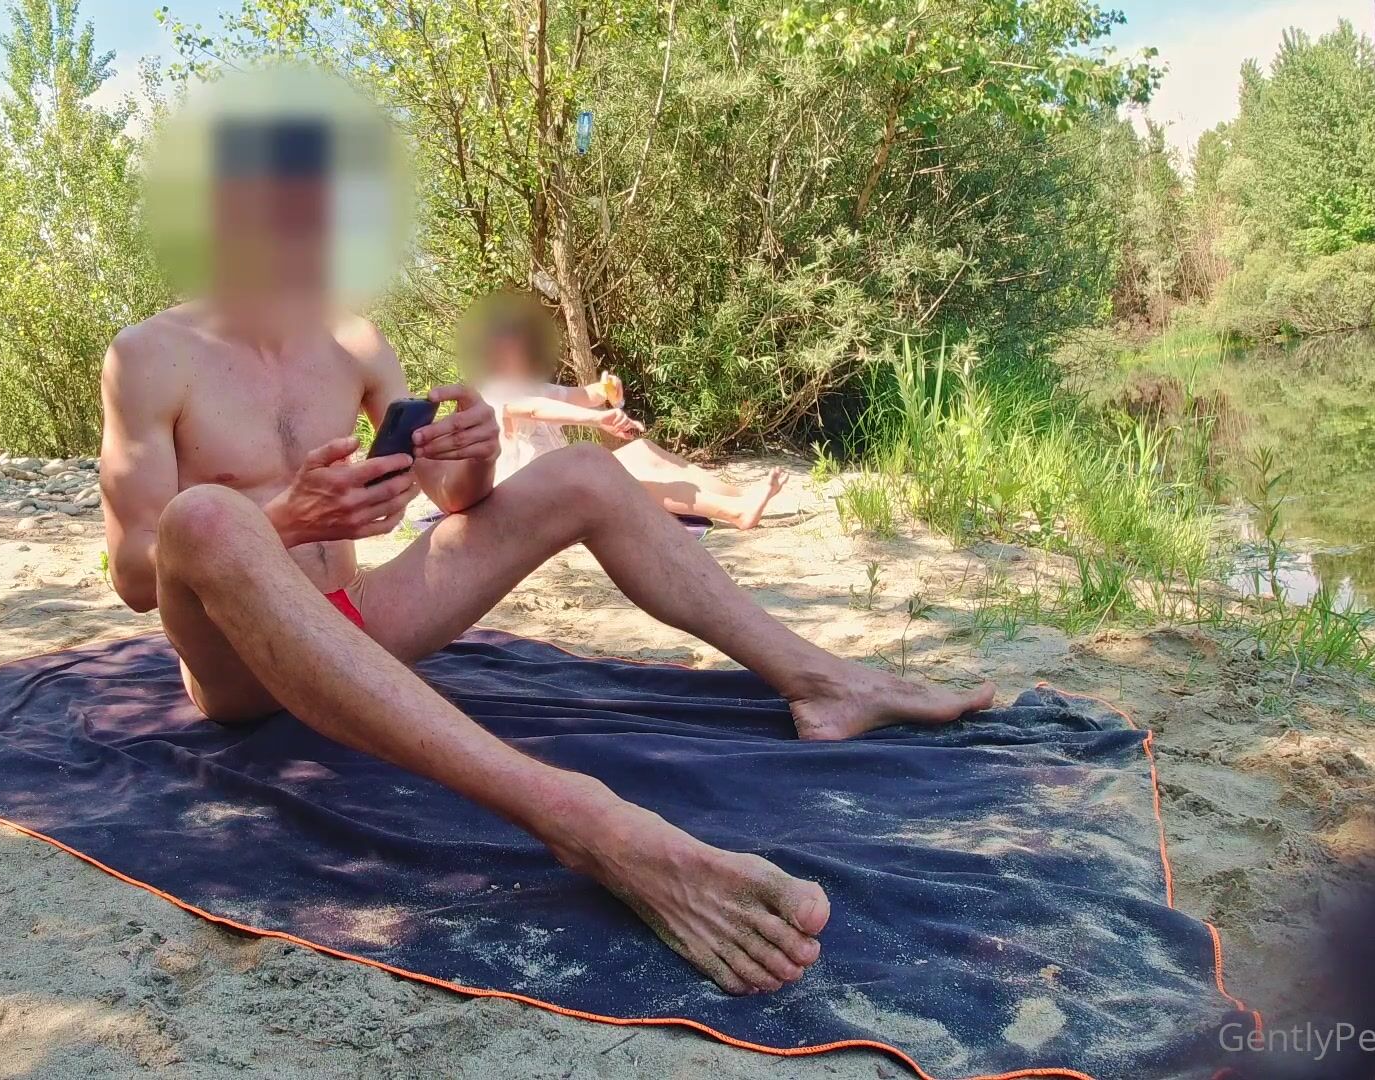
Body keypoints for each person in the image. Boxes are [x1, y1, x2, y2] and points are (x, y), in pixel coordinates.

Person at [101, 66, 994, 998]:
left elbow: (451, 500)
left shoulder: (354, 340)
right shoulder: (150, 356)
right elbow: (134, 572)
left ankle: (822, 683)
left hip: (357, 617)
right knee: (208, 517)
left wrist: (477, 451)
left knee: (581, 472)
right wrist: (287, 517)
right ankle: (587, 823)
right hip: (239, 666)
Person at [463, 293, 789, 529]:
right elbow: (535, 410)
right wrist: (597, 419)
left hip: (560, 483)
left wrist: (606, 389)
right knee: (622, 477)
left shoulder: (533, 385)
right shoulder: (492, 392)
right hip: (528, 501)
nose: (517, 355)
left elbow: (583, 395)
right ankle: (735, 512)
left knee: (642, 450)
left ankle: (742, 495)